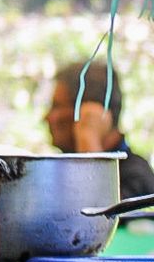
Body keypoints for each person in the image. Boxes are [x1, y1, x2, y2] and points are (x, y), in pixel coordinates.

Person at [48, 59, 154, 199]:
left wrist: (87, 135)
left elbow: (96, 213)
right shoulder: (59, 174)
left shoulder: (136, 177)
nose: (48, 117)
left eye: (57, 106)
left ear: (89, 112)